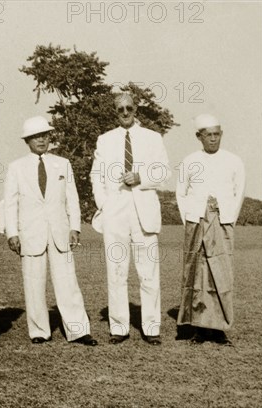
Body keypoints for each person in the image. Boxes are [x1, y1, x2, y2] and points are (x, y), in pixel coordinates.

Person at [4, 116, 98, 346]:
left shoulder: (62, 163)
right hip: (30, 233)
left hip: (60, 232)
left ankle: (78, 330)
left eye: (45, 135)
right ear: (27, 140)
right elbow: (10, 203)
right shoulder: (16, 167)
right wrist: (12, 233)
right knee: (33, 282)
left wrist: (75, 227)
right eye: (36, 136)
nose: (41, 140)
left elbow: (72, 199)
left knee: (68, 282)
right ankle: (39, 331)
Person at [90, 93, 170, 345]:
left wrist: (141, 178)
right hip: (115, 214)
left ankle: (151, 328)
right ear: (115, 111)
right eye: (119, 109)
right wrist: (105, 204)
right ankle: (119, 327)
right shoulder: (105, 140)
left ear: (136, 109)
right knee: (116, 271)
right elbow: (96, 176)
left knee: (148, 272)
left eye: (129, 108)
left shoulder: (152, 137)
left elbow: (164, 172)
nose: (125, 112)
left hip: (143, 211)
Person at [176, 114, 245, 346]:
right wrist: (192, 218)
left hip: (222, 223)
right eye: (209, 135)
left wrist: (227, 218)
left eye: (217, 134)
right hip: (196, 223)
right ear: (199, 136)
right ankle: (199, 327)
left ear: (221, 134)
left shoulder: (233, 161)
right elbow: (181, 193)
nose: (213, 139)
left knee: (220, 274)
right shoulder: (189, 161)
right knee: (196, 273)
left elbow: (238, 192)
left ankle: (219, 329)